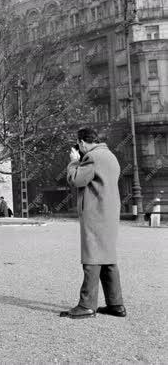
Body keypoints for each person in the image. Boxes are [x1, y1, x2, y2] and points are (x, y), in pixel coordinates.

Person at [61, 127, 126, 319]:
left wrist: (74, 161)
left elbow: (76, 179)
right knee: (108, 260)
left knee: (92, 258)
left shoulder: (92, 157)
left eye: (79, 146)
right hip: (109, 214)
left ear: (82, 143)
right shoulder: (110, 156)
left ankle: (87, 305)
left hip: (95, 214)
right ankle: (116, 305)